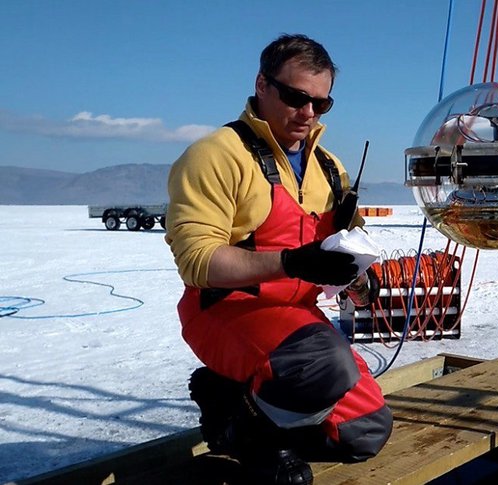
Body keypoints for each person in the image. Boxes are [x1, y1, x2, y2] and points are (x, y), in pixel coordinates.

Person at [165, 34, 392, 484]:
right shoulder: (214, 157)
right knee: (325, 363)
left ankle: (235, 401)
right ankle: (251, 437)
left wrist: (362, 281)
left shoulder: (328, 168)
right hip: (228, 310)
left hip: (296, 320)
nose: (307, 113)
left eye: (321, 105)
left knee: (365, 431)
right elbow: (197, 261)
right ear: (262, 85)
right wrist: (290, 264)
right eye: (295, 97)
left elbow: (346, 251)